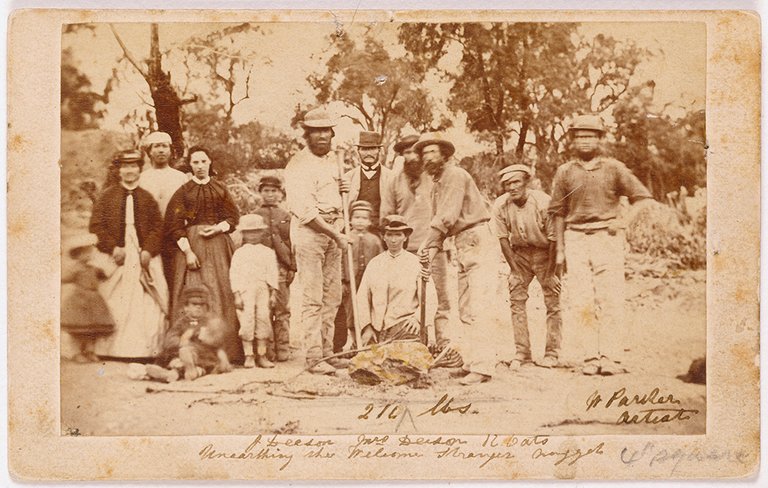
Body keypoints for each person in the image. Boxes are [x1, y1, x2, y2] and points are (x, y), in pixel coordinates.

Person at [549, 114, 653, 376]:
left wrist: (623, 221)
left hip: (606, 238)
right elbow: (558, 213)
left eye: (590, 135)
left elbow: (642, 198)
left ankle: (611, 356)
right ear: (573, 140)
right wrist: (560, 249)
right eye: (580, 136)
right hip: (576, 238)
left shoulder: (614, 168)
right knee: (583, 299)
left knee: (610, 298)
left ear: (599, 139)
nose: (585, 141)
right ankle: (589, 356)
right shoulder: (565, 172)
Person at [414, 132, 498, 385]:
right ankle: (472, 361)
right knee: (465, 308)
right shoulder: (436, 183)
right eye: (424, 153)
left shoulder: (454, 175)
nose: (428, 157)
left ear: (444, 155)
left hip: (476, 238)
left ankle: (483, 367)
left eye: (433, 152)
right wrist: (432, 247)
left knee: (477, 306)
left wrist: (425, 243)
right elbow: (441, 221)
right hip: (462, 243)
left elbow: (446, 218)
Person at [283, 107, 350, 375]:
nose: (322, 136)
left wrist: (347, 190)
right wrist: (335, 233)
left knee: (332, 296)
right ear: (306, 135)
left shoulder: (336, 161)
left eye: (326, 131)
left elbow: (343, 200)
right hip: (311, 233)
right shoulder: (298, 165)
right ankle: (313, 357)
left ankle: (327, 352)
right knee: (313, 297)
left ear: (332, 134)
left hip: (334, 230)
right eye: (315, 132)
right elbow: (306, 211)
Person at [165, 146, 242, 364]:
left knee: (222, 291)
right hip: (193, 245)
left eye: (203, 162)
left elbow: (233, 217)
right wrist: (188, 251)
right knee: (194, 291)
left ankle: (226, 351)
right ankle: (190, 351)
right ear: (190, 165)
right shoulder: (183, 191)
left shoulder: (220, 188)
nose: (200, 166)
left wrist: (218, 228)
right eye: (195, 162)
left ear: (210, 163)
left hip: (219, 246)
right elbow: (174, 224)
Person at [89, 149, 168, 359]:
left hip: (142, 254)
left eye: (133, 166)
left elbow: (157, 227)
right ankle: (108, 350)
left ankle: (145, 349)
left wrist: (149, 250)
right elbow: (96, 226)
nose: (129, 171)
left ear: (139, 170)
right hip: (117, 253)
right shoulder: (107, 197)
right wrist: (113, 247)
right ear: (119, 170)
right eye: (125, 167)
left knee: (149, 298)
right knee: (112, 294)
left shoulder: (147, 197)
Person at [380, 134, 452, 349]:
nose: (411, 157)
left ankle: (442, 345)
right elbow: (386, 216)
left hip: (433, 247)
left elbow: (448, 211)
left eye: (415, 152)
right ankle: (412, 342)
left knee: (439, 298)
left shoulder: (436, 177)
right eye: (406, 153)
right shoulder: (394, 180)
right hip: (405, 250)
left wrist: (440, 242)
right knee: (405, 298)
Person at [491, 164, 562, 370]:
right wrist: (513, 270)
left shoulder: (542, 202)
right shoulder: (501, 205)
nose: (512, 187)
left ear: (526, 183)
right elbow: (503, 239)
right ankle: (522, 352)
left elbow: (554, 239)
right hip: (519, 254)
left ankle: (552, 353)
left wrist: (552, 273)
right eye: (507, 184)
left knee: (553, 301)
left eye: (516, 182)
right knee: (516, 300)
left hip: (545, 253)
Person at [357, 215, 428, 344]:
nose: (393, 240)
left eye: (398, 235)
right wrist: (367, 327)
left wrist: (418, 319)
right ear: (383, 236)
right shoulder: (375, 263)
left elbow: (429, 297)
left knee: (402, 359)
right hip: (377, 328)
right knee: (367, 359)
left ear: (405, 237)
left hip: (405, 325)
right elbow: (362, 297)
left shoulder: (415, 263)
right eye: (389, 235)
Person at [139, 131, 189, 290]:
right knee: (153, 278)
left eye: (164, 146)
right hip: (150, 236)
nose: (161, 150)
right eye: (156, 146)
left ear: (171, 150)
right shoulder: (142, 178)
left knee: (176, 277)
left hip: (174, 235)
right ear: (149, 151)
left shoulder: (180, 177)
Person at [255, 175, 296, 362]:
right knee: (264, 308)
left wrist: (292, 267)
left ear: (280, 193)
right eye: (266, 191)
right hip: (260, 268)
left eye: (274, 191)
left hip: (280, 266)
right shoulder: (254, 215)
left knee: (282, 308)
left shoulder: (286, 216)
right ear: (260, 192)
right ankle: (267, 347)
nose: (270, 195)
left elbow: (292, 242)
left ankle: (283, 345)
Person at [230, 214, 279, 369]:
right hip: (245, 289)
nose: (252, 235)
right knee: (247, 320)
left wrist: (273, 293)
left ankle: (262, 355)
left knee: (263, 319)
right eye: (248, 232)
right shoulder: (239, 253)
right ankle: (249, 355)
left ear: (262, 232)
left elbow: (272, 273)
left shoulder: (268, 252)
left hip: (262, 288)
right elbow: (234, 273)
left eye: (256, 231)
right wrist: (237, 294)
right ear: (243, 234)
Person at [333, 200, 383, 352]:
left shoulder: (375, 240)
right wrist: (342, 280)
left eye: (364, 218)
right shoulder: (345, 238)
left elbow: (380, 261)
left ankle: (367, 340)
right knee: (351, 312)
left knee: (367, 309)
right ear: (350, 219)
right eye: (357, 217)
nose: (360, 221)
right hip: (351, 282)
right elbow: (339, 260)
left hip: (368, 283)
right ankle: (353, 341)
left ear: (370, 221)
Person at [61, 233, 115, 363]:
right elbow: (64, 278)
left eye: (90, 252)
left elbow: (105, 276)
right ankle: (77, 352)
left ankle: (89, 351)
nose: (89, 255)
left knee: (92, 330)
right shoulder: (76, 269)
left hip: (94, 301)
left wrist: (105, 270)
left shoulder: (94, 269)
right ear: (78, 255)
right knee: (78, 330)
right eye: (86, 252)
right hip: (80, 301)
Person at [344, 131, 392, 235]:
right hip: (355, 232)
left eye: (372, 149)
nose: (368, 153)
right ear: (358, 151)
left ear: (379, 150)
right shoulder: (348, 177)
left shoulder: (391, 177)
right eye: (364, 149)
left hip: (382, 232)